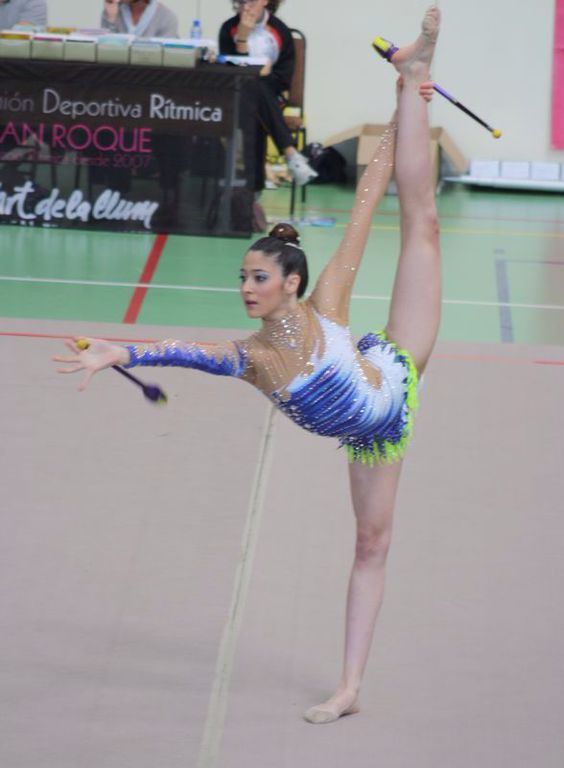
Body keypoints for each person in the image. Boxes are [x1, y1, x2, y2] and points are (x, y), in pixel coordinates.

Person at [55, 6, 441, 725]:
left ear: (289, 283)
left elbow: (368, 194)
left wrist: (400, 106)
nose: (244, 288)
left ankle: (417, 68)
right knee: (370, 543)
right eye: (241, 278)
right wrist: (119, 351)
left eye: (256, 278)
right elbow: (180, 353)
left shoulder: (327, 300)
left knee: (422, 224)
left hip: (393, 371)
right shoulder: (252, 358)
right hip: (373, 436)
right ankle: (349, 687)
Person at [219, 0, 317, 188]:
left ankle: (252, 192)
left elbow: (283, 78)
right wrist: (241, 39)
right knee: (251, 89)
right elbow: (230, 73)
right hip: (236, 98)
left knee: (255, 94)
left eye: (251, 1)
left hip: (272, 97)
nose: (246, 7)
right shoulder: (229, 28)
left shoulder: (280, 31)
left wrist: (261, 76)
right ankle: (290, 154)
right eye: (241, 2)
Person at [101, 0, 178, 38]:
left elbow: (165, 59)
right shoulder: (113, 10)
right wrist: (111, 19)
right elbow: (106, 50)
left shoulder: (167, 17)